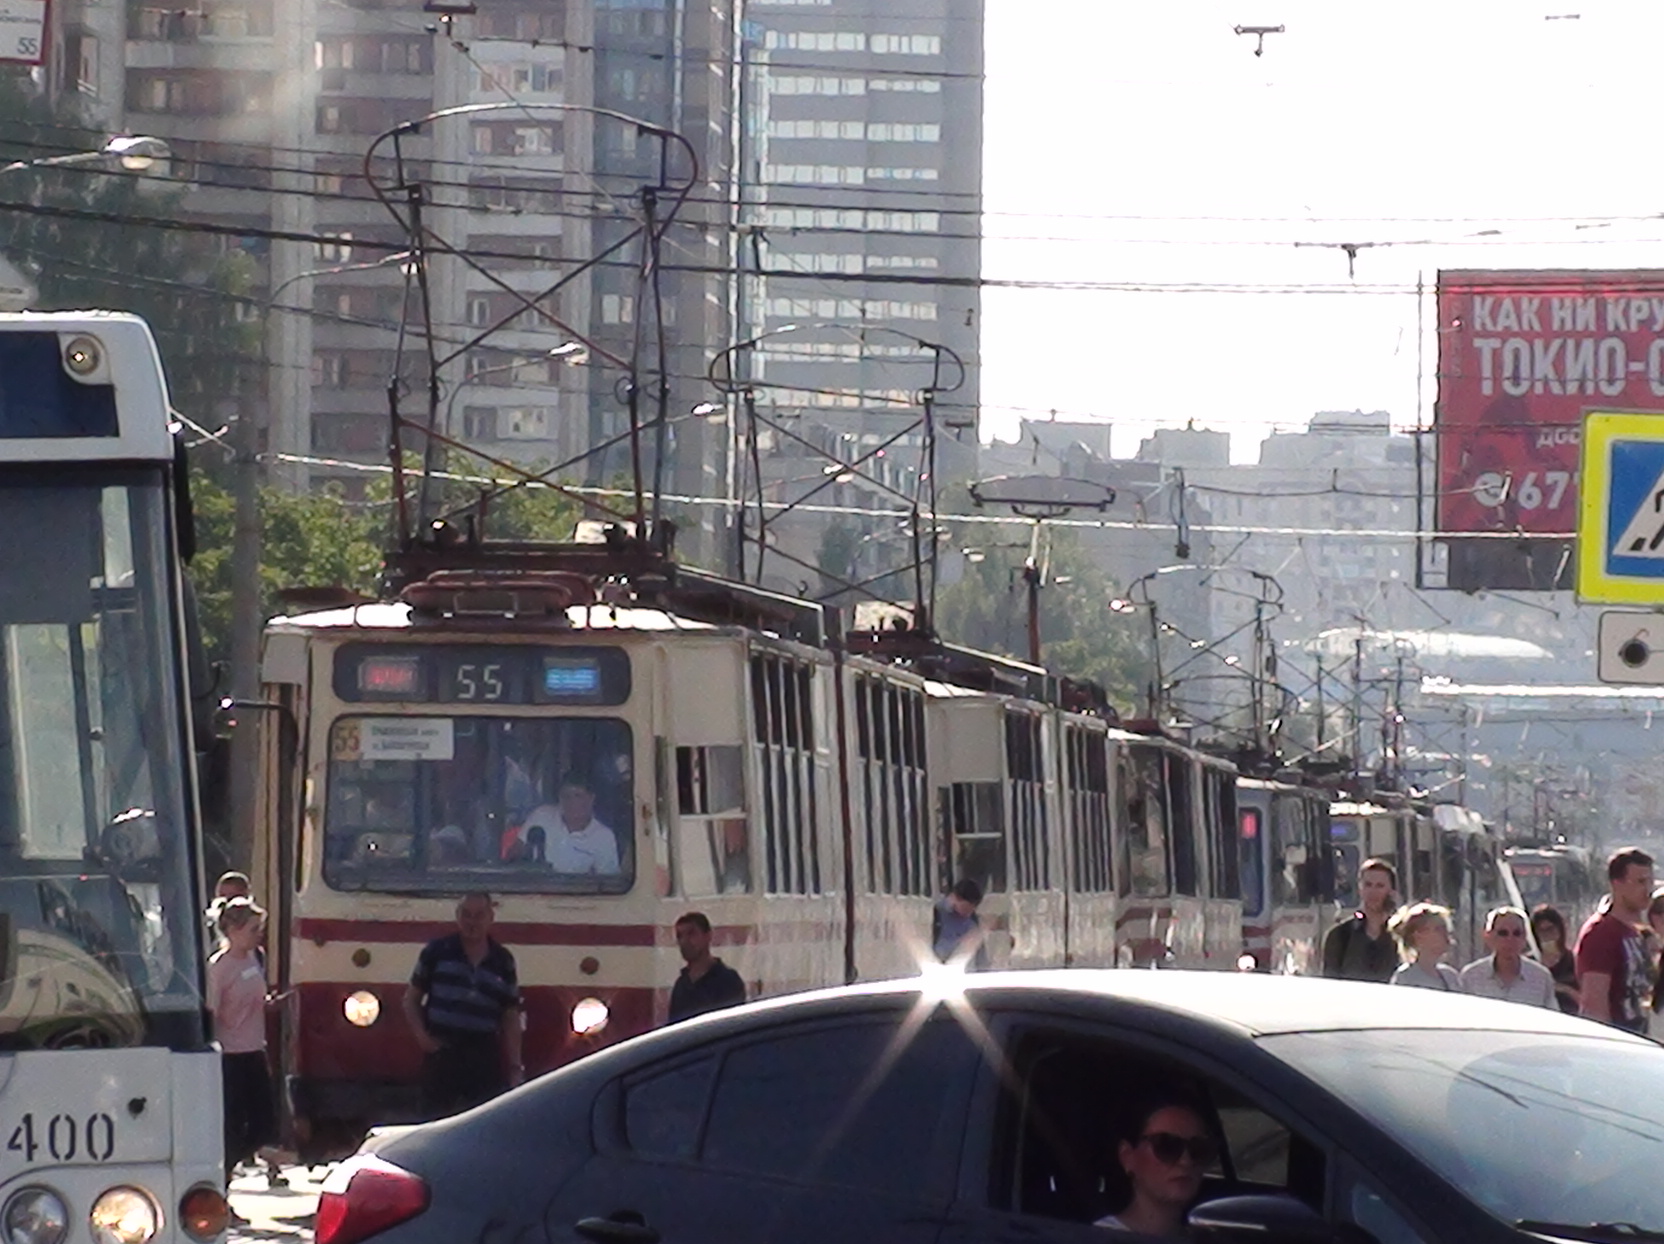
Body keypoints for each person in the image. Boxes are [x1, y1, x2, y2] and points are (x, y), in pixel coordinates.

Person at [402, 893, 524, 1118]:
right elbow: (411, 1000)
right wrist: (423, 1039)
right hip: (443, 1052)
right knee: (433, 1121)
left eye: (479, 915)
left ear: (490, 918)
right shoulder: (437, 952)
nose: (472, 922)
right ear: (458, 916)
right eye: (466, 915)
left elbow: (510, 1015)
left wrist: (515, 1066)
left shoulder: (503, 960)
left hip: (483, 1054)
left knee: (483, 1120)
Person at [207, 898, 276, 1218]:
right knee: (232, 1129)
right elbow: (212, 1013)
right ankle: (220, 1190)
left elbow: (255, 996)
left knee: (263, 1125)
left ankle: (229, 1167)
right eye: (252, 929)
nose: (257, 935)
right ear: (233, 931)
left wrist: (268, 1004)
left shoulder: (255, 958)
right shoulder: (219, 968)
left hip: (254, 1051)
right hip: (230, 1056)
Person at [1095, 1087, 1216, 1236]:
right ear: (1127, 1156)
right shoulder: (1096, 1237)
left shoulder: (1208, 1238)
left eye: (1198, 1148)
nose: (1185, 1161)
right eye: (1166, 1145)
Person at [1576, 847, 1655, 1032]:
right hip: (1620, 1038)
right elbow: (1594, 1004)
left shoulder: (1643, 931)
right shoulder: (1601, 933)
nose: (1648, 889)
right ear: (1617, 884)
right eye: (1640, 882)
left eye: (1650, 881)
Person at [510, 775, 621, 875]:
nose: (571, 802)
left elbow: (608, 880)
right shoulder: (541, 815)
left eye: (578, 796)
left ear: (591, 798)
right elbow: (515, 853)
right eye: (566, 796)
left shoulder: (604, 836)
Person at [1320, 857, 1399, 982]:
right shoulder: (1341, 935)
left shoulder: (1401, 933)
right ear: (1360, 889)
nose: (1373, 892)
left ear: (1391, 891)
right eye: (1368, 885)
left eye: (1380, 886)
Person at [1460, 906, 1556, 1008]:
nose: (1510, 939)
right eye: (1503, 933)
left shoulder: (1541, 978)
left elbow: (1552, 1015)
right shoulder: (1470, 977)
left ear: (1525, 937)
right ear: (1489, 936)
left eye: (1517, 933)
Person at [667, 912, 746, 1024]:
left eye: (691, 934)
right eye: (680, 936)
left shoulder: (727, 980)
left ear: (708, 936)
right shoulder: (681, 985)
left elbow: (733, 1025)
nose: (684, 941)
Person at [1388, 902, 1461, 991]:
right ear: (1418, 935)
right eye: (1438, 929)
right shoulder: (1406, 977)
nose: (1445, 934)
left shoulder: (1450, 976)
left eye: (1445, 929)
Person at [1531, 904, 1580, 1015]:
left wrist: (1564, 989)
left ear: (1559, 930)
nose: (1547, 935)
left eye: (1550, 929)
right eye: (1541, 931)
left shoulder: (1574, 961)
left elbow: (1586, 1000)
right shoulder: (1529, 964)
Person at [932, 877, 990, 969]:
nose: (970, 912)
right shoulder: (936, 912)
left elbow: (980, 951)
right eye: (967, 908)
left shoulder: (972, 920)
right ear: (957, 898)